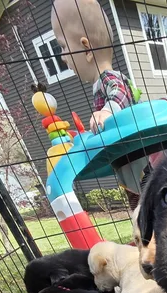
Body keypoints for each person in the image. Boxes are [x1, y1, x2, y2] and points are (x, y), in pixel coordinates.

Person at [51, 0, 143, 207]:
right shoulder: (100, 84)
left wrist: (107, 111)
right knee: (139, 208)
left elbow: (121, 93)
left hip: (139, 164)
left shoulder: (108, 78)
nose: (63, 57)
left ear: (86, 49)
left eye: (63, 46)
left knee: (146, 208)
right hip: (127, 164)